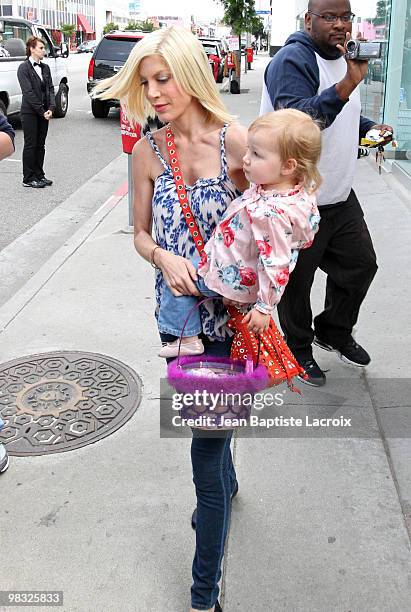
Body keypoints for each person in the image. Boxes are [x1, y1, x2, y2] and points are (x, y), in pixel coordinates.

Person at [93, 26, 248, 612]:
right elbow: (138, 233)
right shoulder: (146, 152)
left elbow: (274, 222)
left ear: (190, 74)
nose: (155, 93)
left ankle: (203, 592)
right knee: (211, 434)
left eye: (164, 78)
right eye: (146, 82)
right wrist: (163, 255)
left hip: (230, 322)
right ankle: (227, 482)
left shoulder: (237, 143)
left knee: (204, 456)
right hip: (177, 321)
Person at [260, 0, 393, 386]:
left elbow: (343, 113)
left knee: (361, 266)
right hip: (295, 201)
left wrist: (370, 126)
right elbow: (297, 123)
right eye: (330, 17)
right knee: (296, 287)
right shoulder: (292, 60)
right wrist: (349, 84)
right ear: (308, 19)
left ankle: (332, 331)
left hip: (338, 195)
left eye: (346, 17)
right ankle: (298, 350)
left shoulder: (342, 58)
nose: (340, 25)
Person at [157, 109, 322, 358]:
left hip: (228, 273)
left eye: (256, 154)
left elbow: (276, 263)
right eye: (248, 150)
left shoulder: (272, 213)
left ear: (288, 166)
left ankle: (185, 338)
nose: (245, 159)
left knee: (178, 280)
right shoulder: (284, 192)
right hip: (236, 274)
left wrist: (265, 307)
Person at [17, 36, 55, 188]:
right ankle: (28, 178)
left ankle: (39, 174)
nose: (43, 51)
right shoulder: (24, 68)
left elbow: (51, 89)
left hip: (44, 112)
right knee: (31, 144)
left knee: (41, 145)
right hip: (30, 113)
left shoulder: (45, 68)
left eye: (43, 48)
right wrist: (41, 111)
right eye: (40, 48)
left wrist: (51, 108)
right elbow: (28, 93)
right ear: (31, 49)